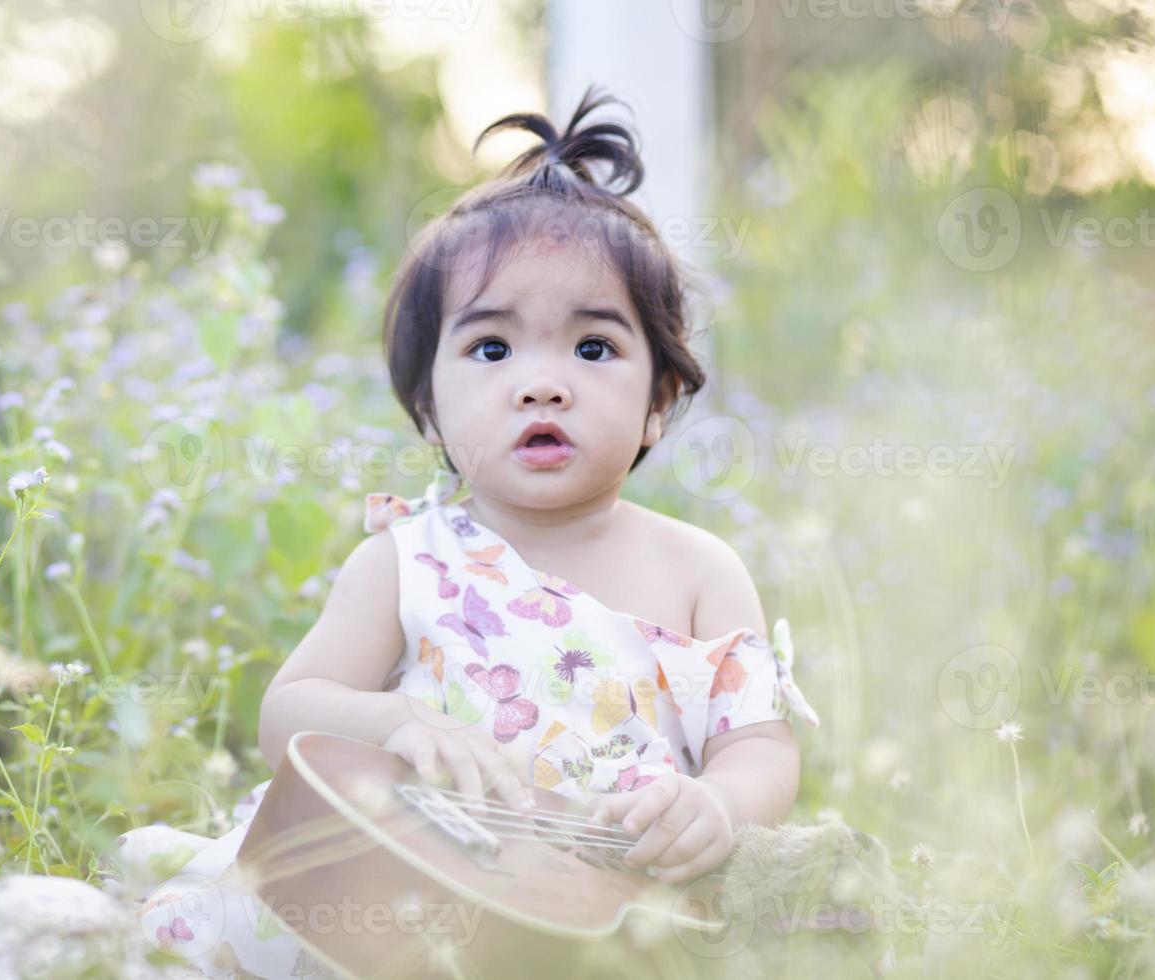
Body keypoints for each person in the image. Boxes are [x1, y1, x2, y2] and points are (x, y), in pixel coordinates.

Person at [112, 83, 820, 980]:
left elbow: (759, 746)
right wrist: (396, 719)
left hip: (594, 920)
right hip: (394, 893)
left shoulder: (698, 569)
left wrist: (718, 804)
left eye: (593, 348)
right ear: (432, 414)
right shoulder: (408, 561)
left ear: (660, 402)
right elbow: (289, 714)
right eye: (492, 349)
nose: (541, 383)